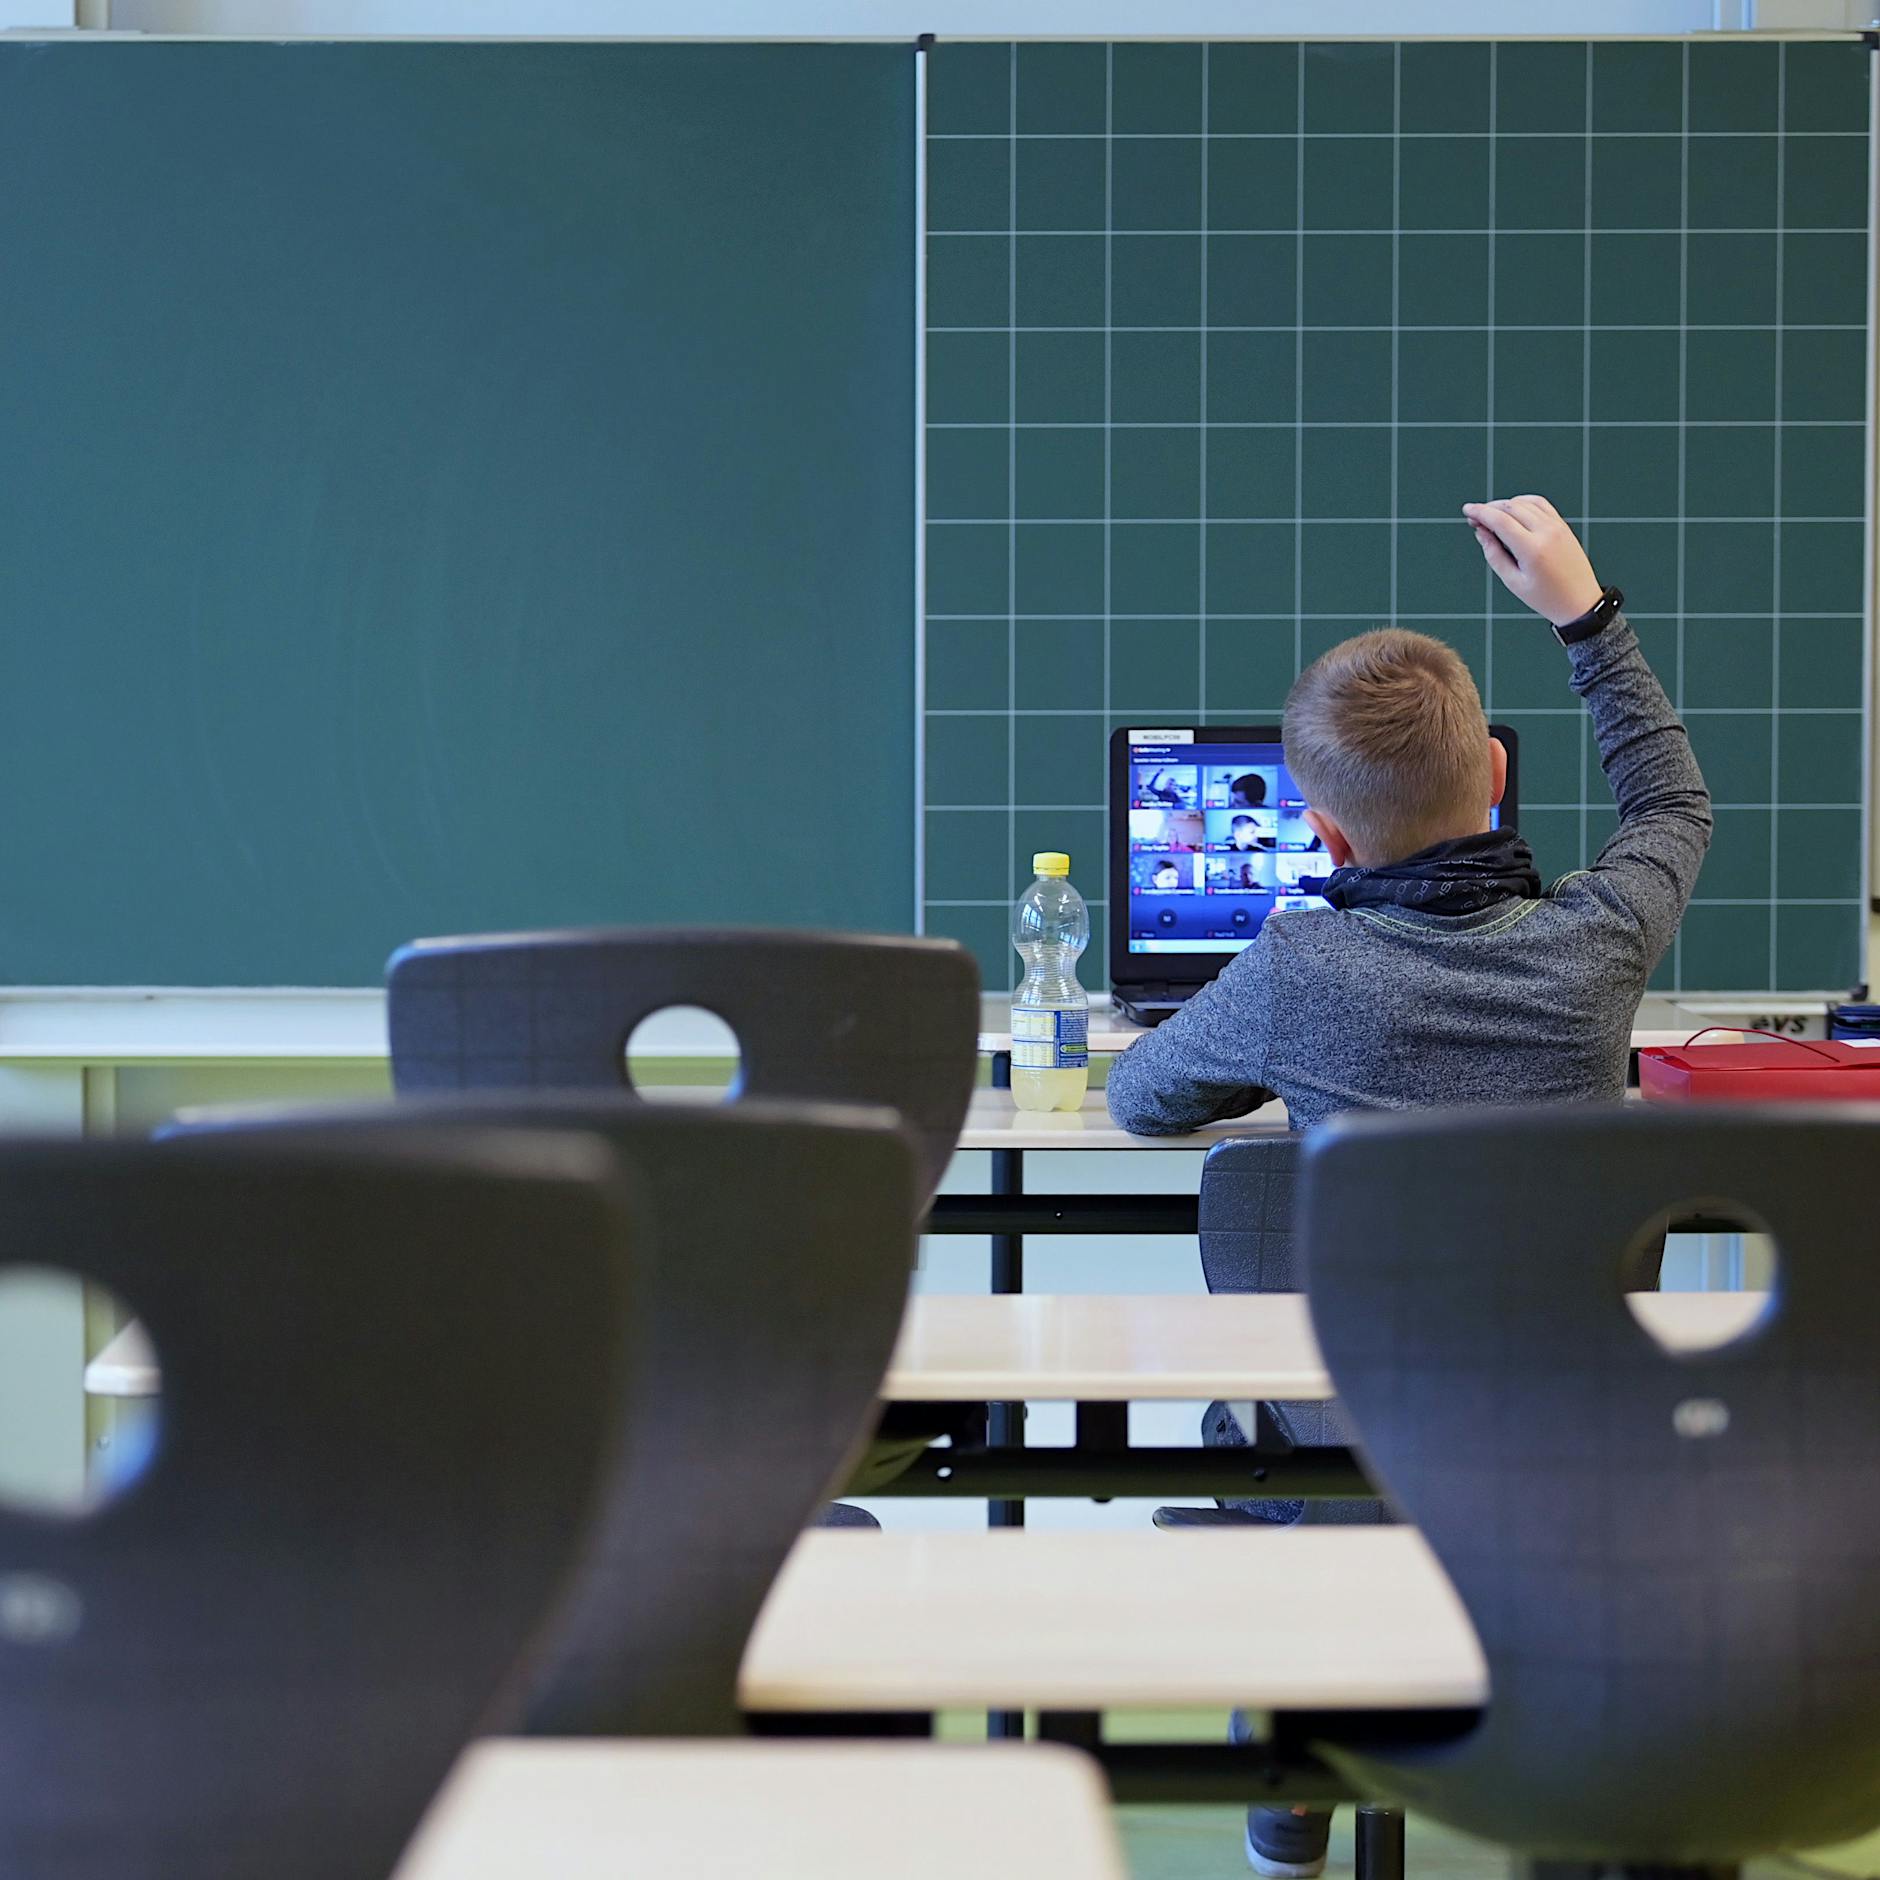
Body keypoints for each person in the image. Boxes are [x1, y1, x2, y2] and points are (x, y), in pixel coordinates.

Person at [1106, 495, 1712, 1879]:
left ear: (1319, 835)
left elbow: (1145, 1099)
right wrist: (1585, 615)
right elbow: (1672, 801)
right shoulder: (1601, 941)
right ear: (1493, 778)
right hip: (1562, 1451)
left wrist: (1265, 1037)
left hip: (1344, 1451)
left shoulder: (1302, 968)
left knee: (1260, 1219)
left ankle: (1289, 1806)